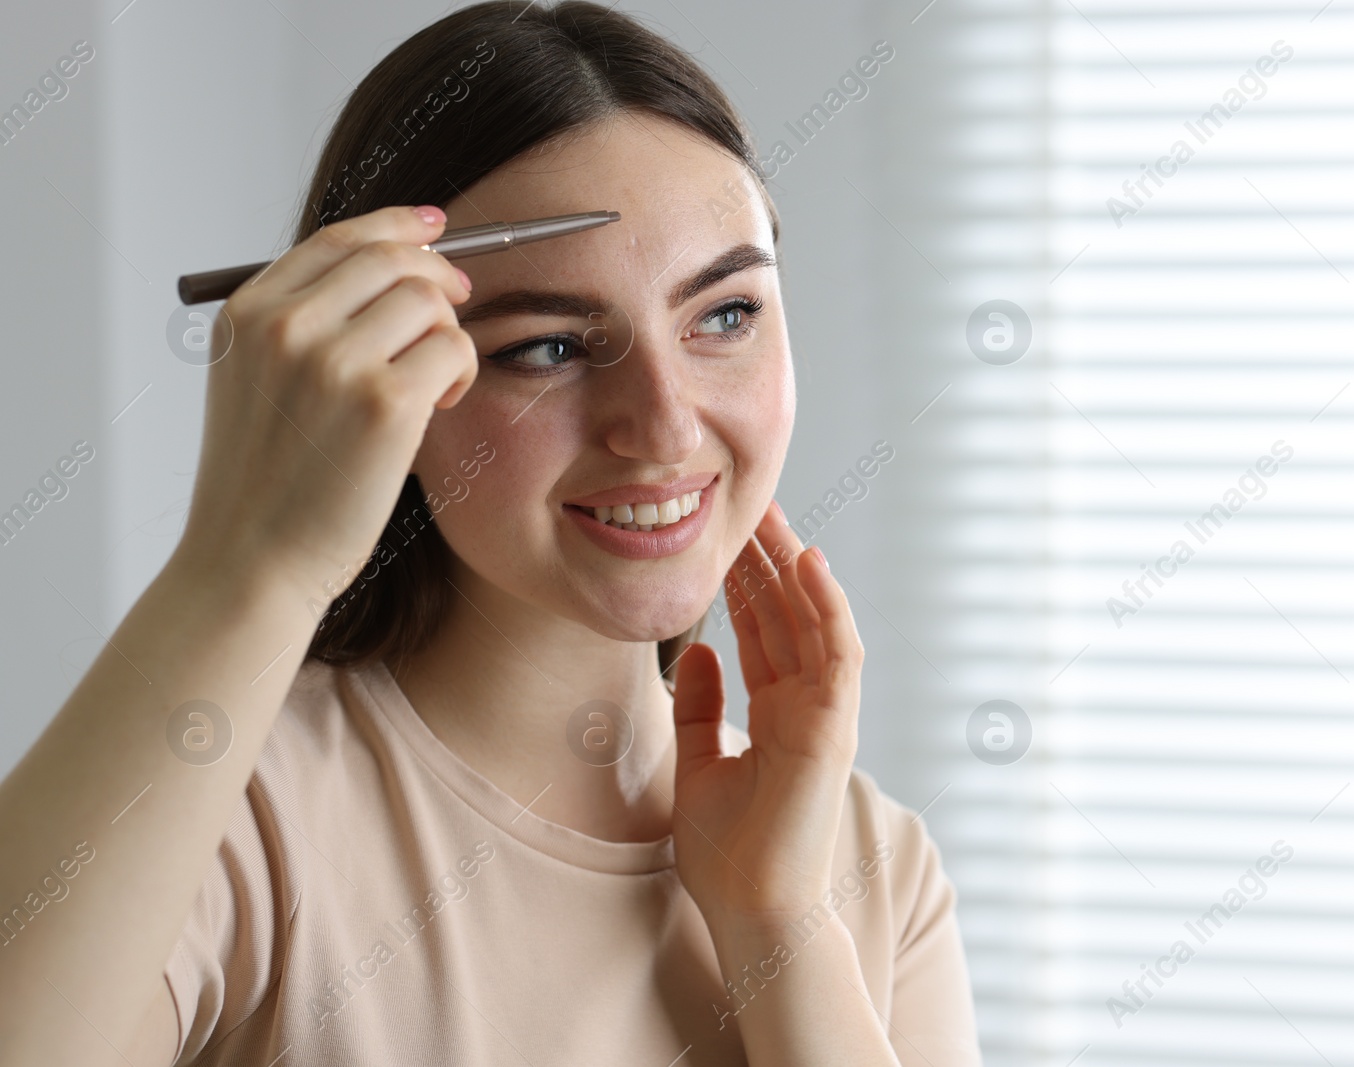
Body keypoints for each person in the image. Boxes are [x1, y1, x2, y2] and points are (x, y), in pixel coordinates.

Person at [0, 3, 980, 1064]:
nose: (662, 425)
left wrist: (778, 923)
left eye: (725, 315)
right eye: (550, 345)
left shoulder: (873, 862)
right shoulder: (231, 816)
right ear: (384, 381)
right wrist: (248, 559)